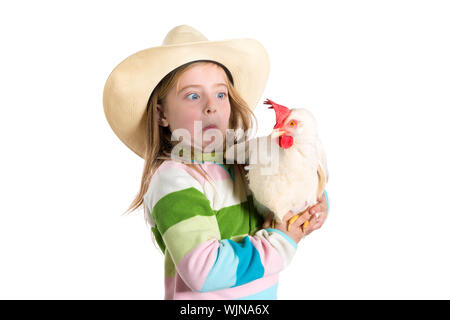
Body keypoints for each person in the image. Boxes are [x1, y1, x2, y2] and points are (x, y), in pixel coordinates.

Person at [103, 25, 329, 300]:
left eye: (220, 94)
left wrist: (314, 203)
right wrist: (281, 242)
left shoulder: (242, 159)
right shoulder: (174, 179)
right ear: (161, 114)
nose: (211, 106)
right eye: (193, 95)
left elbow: (287, 181)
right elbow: (204, 271)